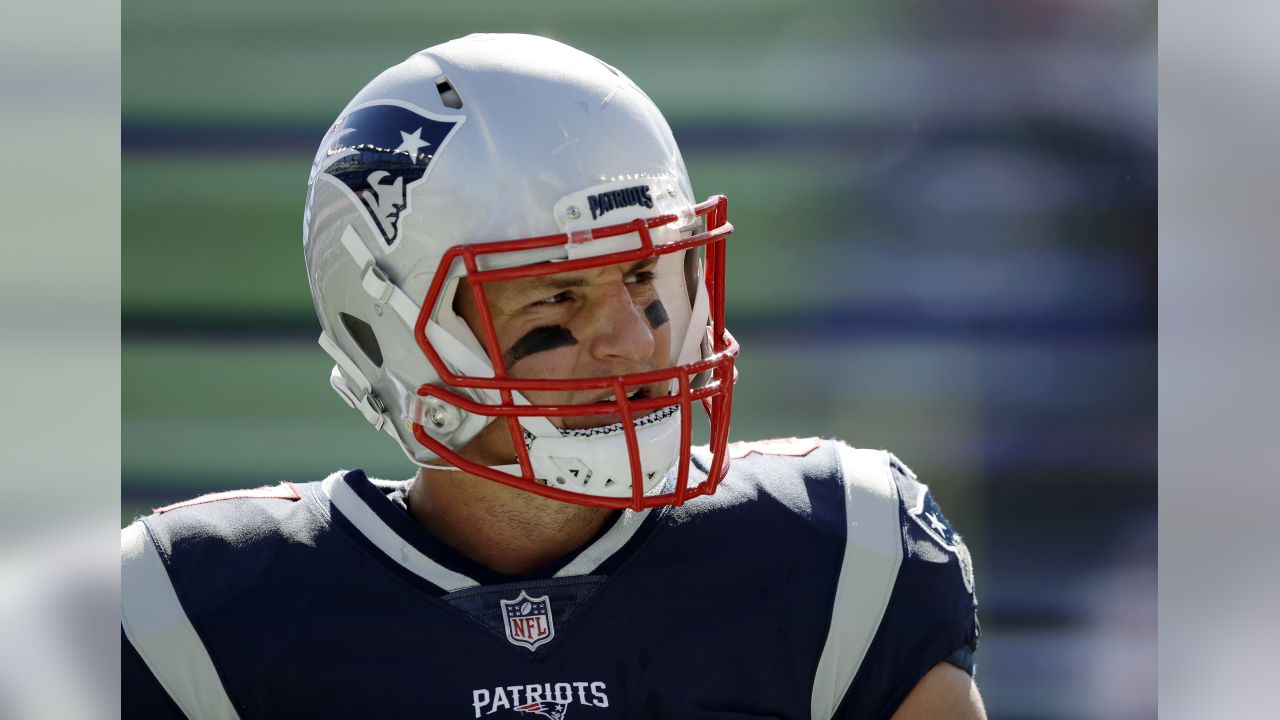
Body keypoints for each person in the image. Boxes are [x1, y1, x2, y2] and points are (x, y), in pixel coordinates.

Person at [121, 33, 984, 719]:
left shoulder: (837, 557)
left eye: (645, 277)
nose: (632, 344)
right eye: (558, 300)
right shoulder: (192, 620)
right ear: (390, 335)